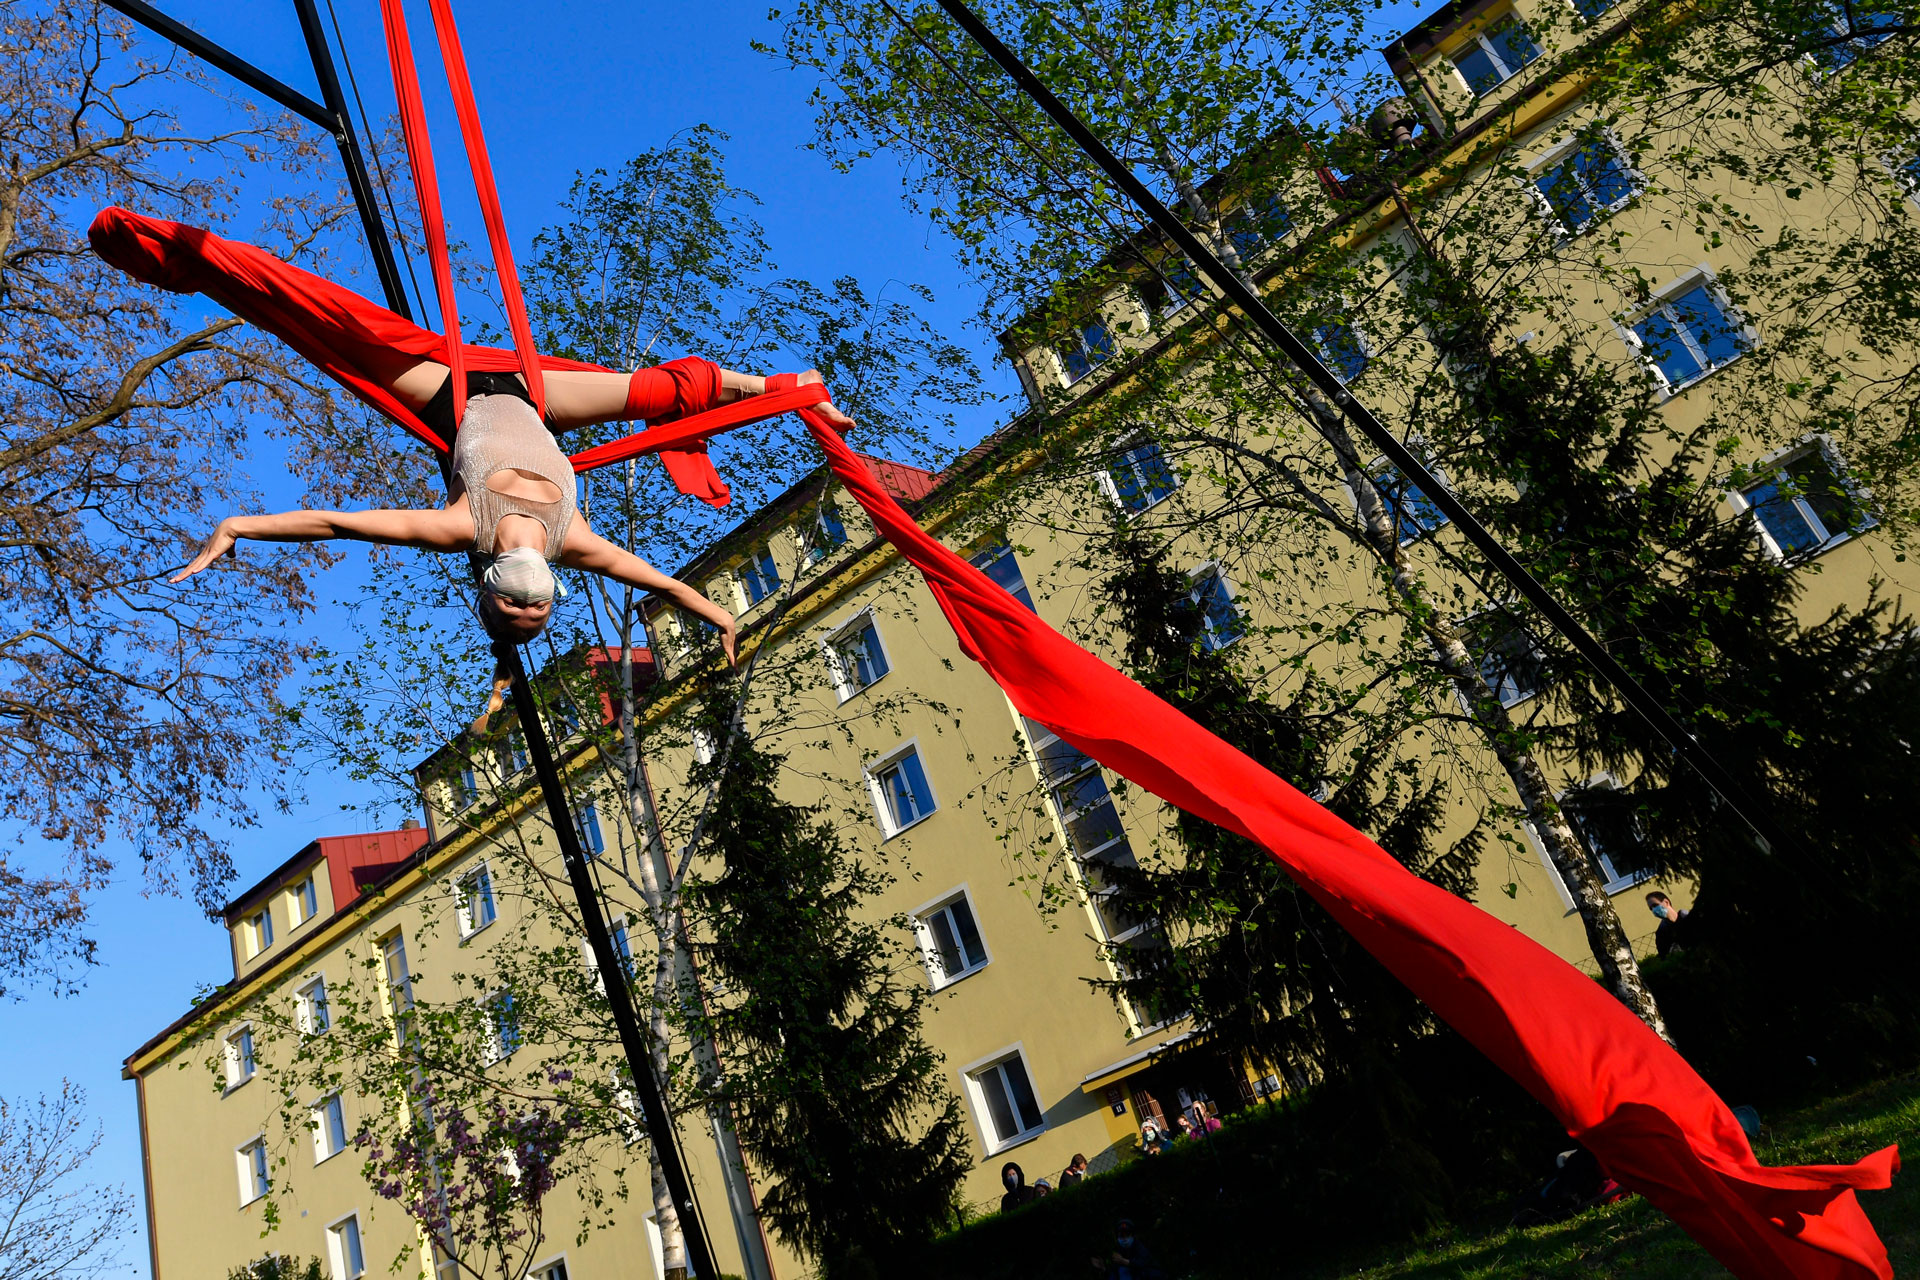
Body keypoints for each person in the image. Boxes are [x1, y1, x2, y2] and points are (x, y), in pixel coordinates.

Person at [87, 206, 856, 661]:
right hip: (532, 392)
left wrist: (236, 526)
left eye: (511, 612)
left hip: (445, 389)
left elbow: (334, 522)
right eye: (538, 612)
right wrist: (721, 615)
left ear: (492, 591)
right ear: (550, 595)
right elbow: (665, 585)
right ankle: (791, 390)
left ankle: (185, 253)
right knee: (657, 391)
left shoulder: (461, 527)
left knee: (309, 314)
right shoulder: (576, 542)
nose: (528, 606)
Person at [1091, 1218, 1165, 1280]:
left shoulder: (1140, 1247)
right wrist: (1103, 1269)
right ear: (1117, 1238)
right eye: (1121, 1236)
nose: (1125, 1239)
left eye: (1127, 1235)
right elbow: (1114, 1274)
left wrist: (1124, 1261)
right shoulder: (1117, 1250)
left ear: (1132, 1236)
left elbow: (1143, 1264)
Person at [1646, 891, 1691, 957]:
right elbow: (1665, 957)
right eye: (1651, 908)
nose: (1653, 910)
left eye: (1655, 905)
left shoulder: (1689, 919)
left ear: (1666, 902)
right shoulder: (1661, 933)